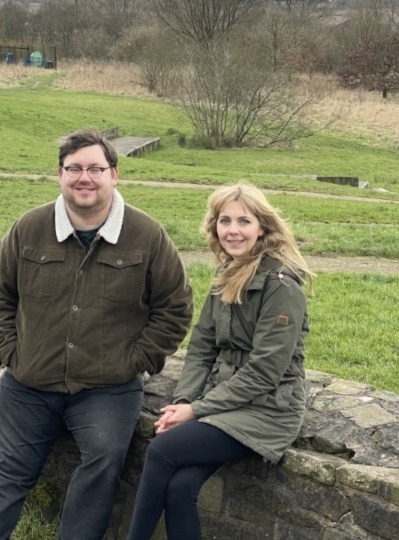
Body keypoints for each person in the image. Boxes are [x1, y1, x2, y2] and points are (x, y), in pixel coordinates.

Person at [0, 127, 194, 540]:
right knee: (7, 472)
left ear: (114, 175)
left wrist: (137, 361)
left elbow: (175, 308)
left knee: (104, 463)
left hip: (107, 388)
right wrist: (8, 351)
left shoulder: (147, 236)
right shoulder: (28, 228)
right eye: (74, 169)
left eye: (95, 168)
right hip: (29, 383)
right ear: (60, 174)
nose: (84, 178)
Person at [127, 183, 312, 540]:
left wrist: (196, 411)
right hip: (224, 404)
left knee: (162, 450)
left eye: (244, 221)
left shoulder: (281, 286)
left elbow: (265, 370)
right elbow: (201, 347)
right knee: (180, 487)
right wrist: (183, 401)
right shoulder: (227, 274)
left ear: (263, 227)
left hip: (268, 410)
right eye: (224, 220)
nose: (233, 230)